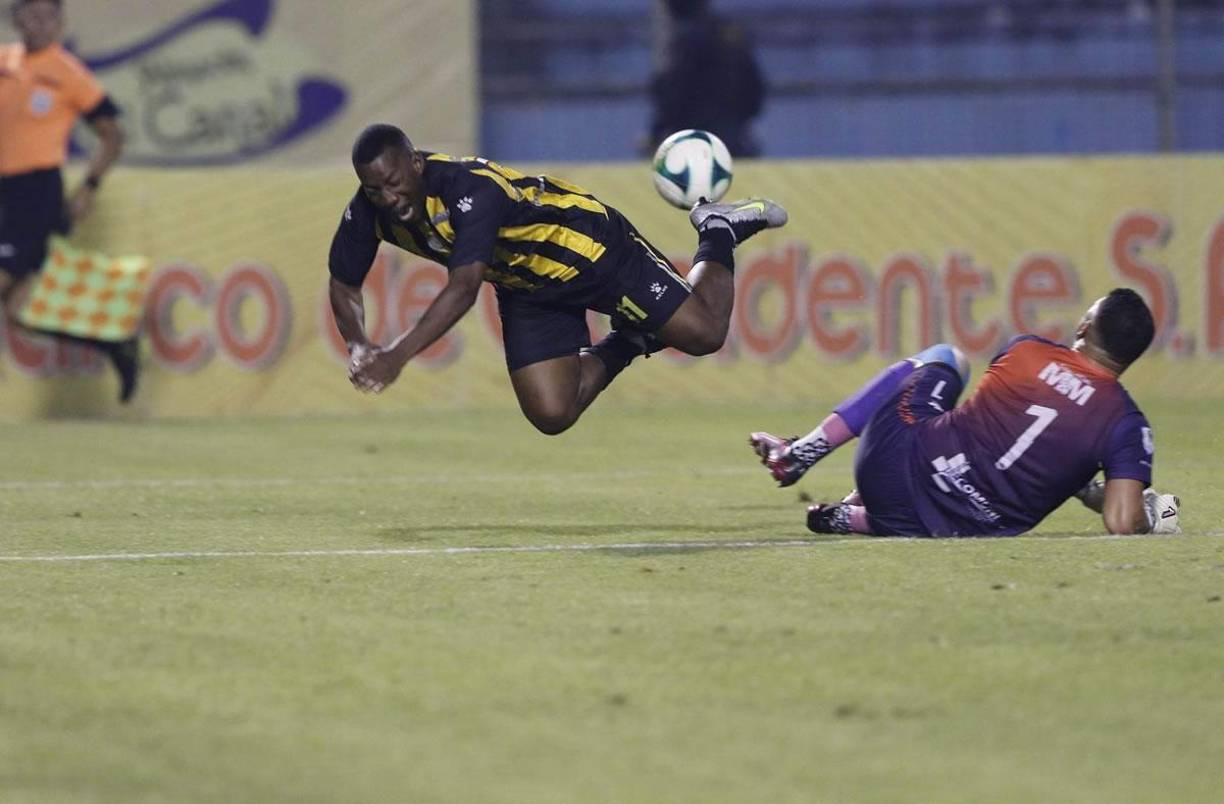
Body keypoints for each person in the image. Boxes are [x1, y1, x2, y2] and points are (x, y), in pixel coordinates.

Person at [328, 123, 786, 435]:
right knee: (552, 413)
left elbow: (464, 288)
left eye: (393, 182)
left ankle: (717, 230)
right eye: (374, 189)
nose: (388, 197)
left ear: (415, 162)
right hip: (528, 289)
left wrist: (396, 355)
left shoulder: (469, 189)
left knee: (706, 334)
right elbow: (343, 281)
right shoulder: (369, 211)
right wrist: (357, 345)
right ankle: (631, 340)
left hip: (590, 249)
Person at [749, 288, 1181, 537]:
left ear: (1084, 328)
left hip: (891, 470)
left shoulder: (1026, 349)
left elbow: (1006, 432)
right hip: (965, 528)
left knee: (948, 357)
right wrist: (1156, 515)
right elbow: (1122, 522)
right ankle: (856, 518)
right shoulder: (1125, 422)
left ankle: (800, 453)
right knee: (1050, 469)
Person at [0, 0, 135, 401]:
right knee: (19, 312)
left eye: (47, 16)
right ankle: (116, 343)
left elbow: (113, 134)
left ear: (60, 22)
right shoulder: (5, 61)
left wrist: (89, 186)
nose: (39, 23)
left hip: (34, 193)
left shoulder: (69, 73)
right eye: (30, 14)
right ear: (15, 18)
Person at [647, 0, 765, 158]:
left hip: (694, 137)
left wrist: (657, 132)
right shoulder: (730, 32)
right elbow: (754, 84)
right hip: (734, 133)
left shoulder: (687, 40)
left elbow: (675, 92)